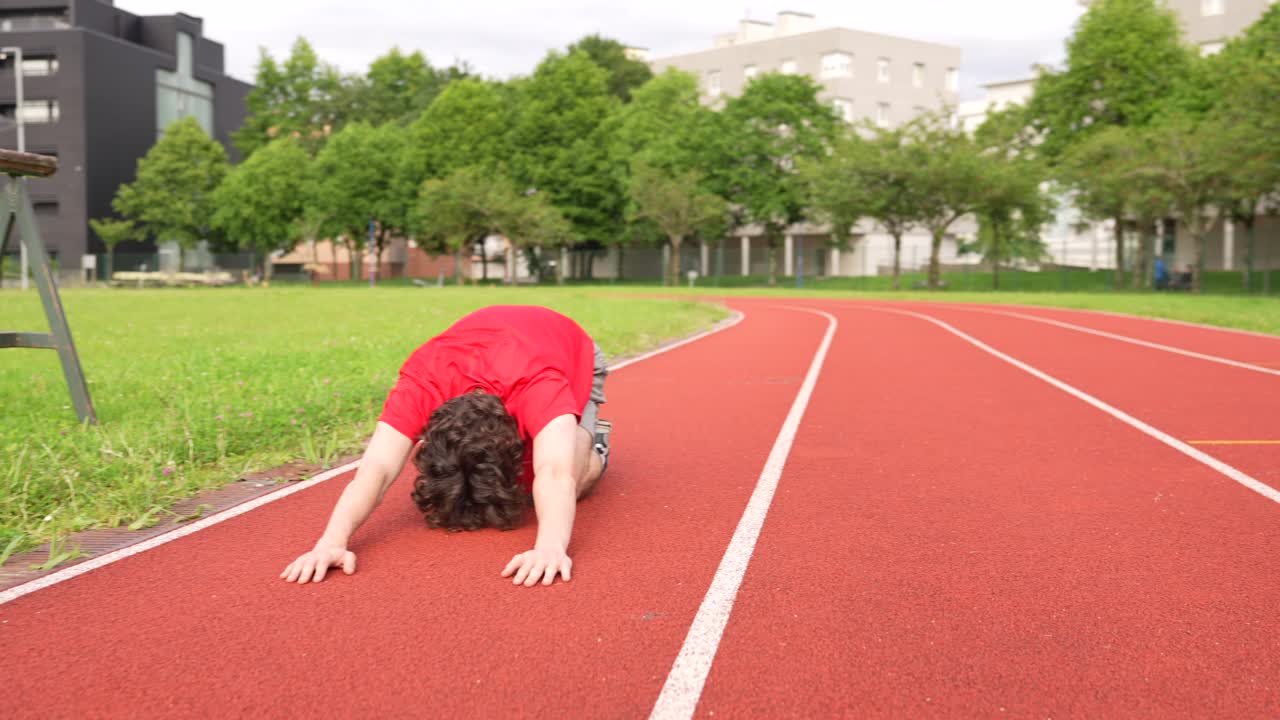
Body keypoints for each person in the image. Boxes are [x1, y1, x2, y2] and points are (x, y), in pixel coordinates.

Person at [281, 305, 611, 588]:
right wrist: (331, 542)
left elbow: (554, 471)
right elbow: (376, 470)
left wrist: (550, 547)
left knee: (568, 475)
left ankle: (595, 444)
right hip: (490, 349)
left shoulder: (538, 384)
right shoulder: (421, 384)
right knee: (496, 486)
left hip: (569, 349)